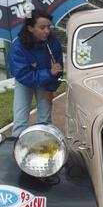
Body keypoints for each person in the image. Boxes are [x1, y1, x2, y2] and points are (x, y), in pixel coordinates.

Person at [8, 9, 63, 137]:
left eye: (49, 27)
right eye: (42, 27)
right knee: (20, 120)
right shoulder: (18, 47)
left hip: (46, 82)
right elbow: (24, 75)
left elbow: (58, 69)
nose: (47, 31)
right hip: (25, 82)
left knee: (45, 119)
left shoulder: (53, 42)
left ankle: (46, 147)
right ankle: (18, 147)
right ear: (30, 28)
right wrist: (49, 73)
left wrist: (51, 89)